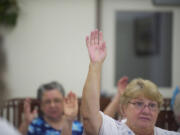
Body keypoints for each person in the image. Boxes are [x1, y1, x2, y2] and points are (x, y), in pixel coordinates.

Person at [81, 29, 180, 135]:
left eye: (152, 105)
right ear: (124, 108)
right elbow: (89, 118)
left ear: (158, 111)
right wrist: (95, 65)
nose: (146, 111)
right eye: (139, 104)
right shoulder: (113, 130)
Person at [19, 81, 83, 135]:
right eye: (47, 102)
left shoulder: (78, 127)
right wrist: (26, 122)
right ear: (41, 105)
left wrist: (68, 121)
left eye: (57, 100)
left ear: (64, 101)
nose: (52, 105)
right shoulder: (34, 125)